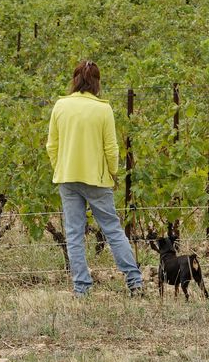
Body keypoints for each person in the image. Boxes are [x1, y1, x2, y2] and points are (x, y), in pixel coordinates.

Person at [46, 61, 144, 298]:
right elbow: (111, 148)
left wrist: (61, 167)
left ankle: (82, 289)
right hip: (97, 180)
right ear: (97, 82)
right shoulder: (103, 109)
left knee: (74, 233)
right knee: (112, 229)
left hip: (67, 177)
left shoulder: (61, 106)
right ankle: (135, 282)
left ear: (75, 79)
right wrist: (113, 173)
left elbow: (52, 145)